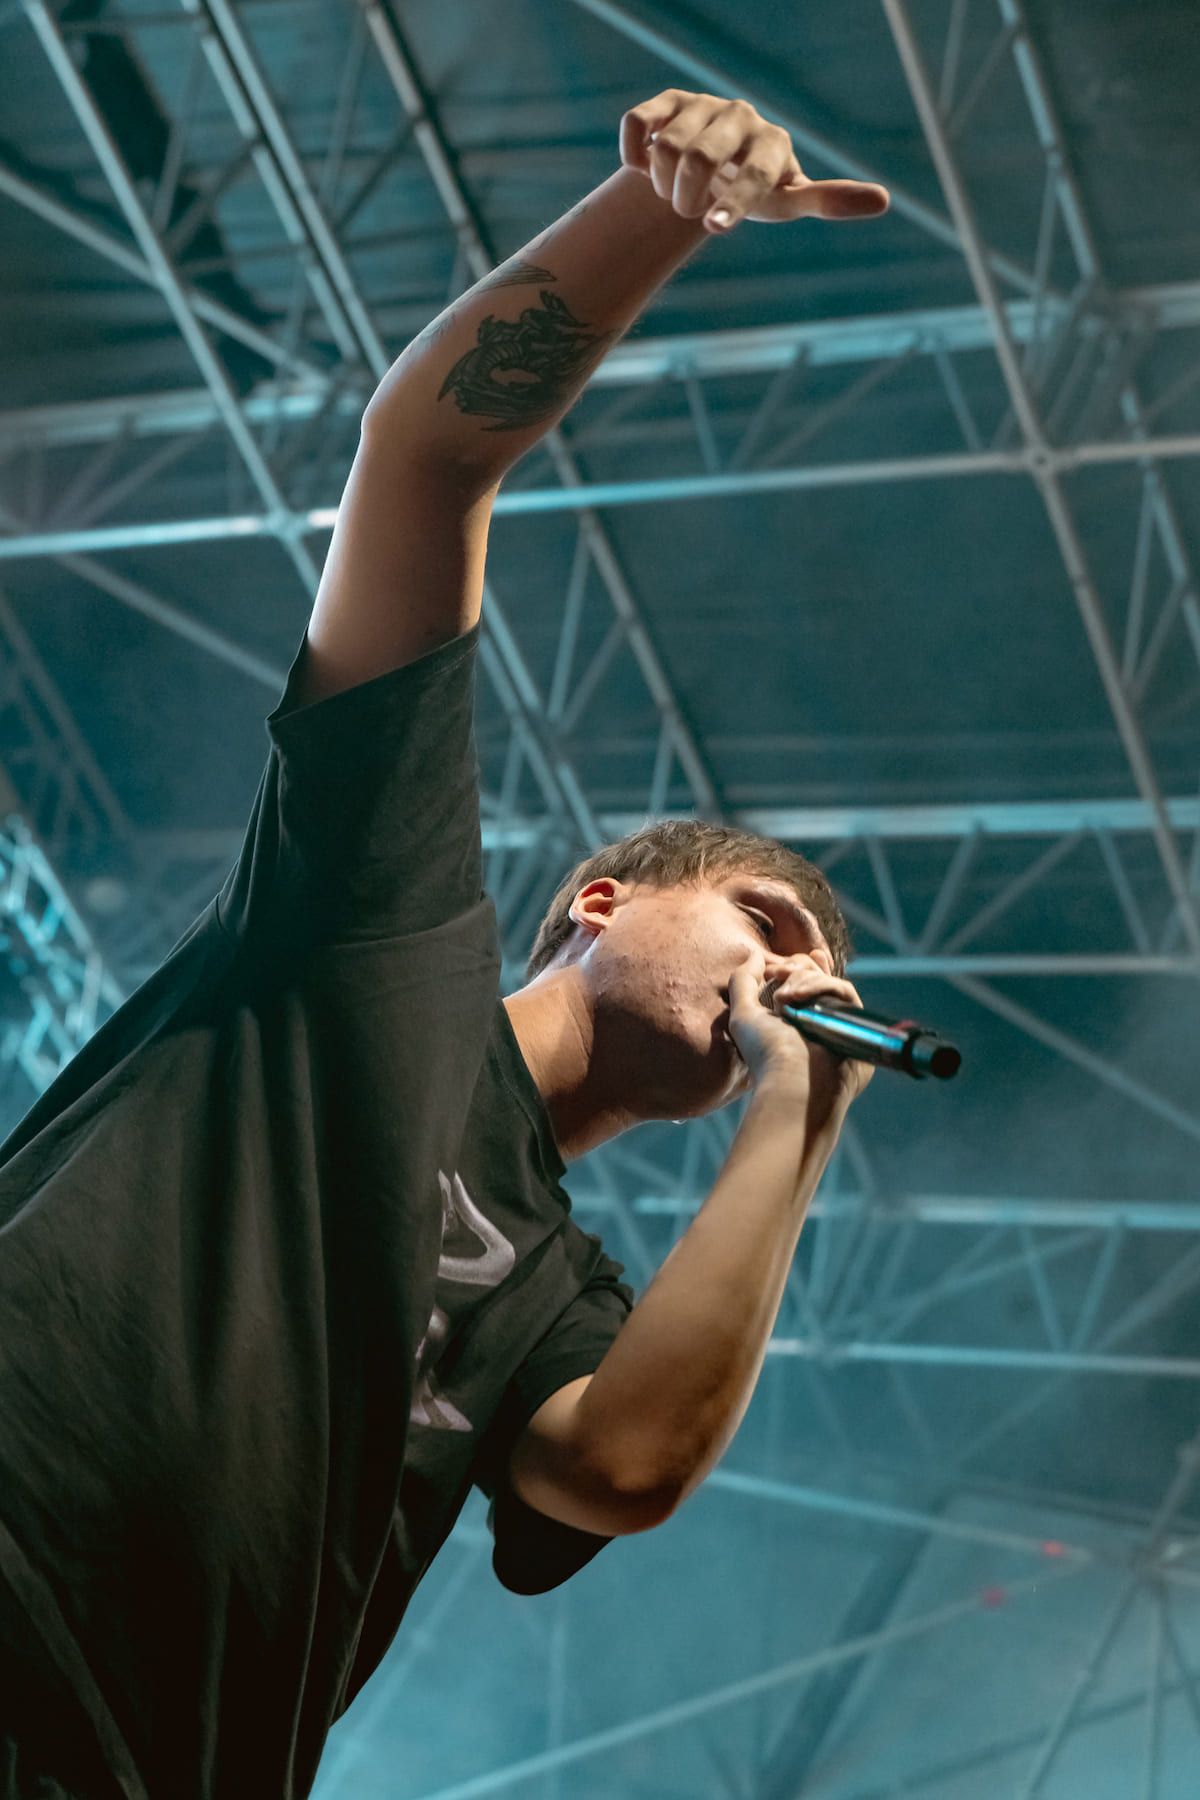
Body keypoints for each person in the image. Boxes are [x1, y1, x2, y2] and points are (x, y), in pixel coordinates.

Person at [0, 88, 888, 1799]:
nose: (791, 974)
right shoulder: (382, 928)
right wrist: (663, 210)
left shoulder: (562, 1296)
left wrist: (802, 1110)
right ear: (601, 901)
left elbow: (620, 1468)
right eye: (763, 923)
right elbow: (426, 457)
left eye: (809, 965)